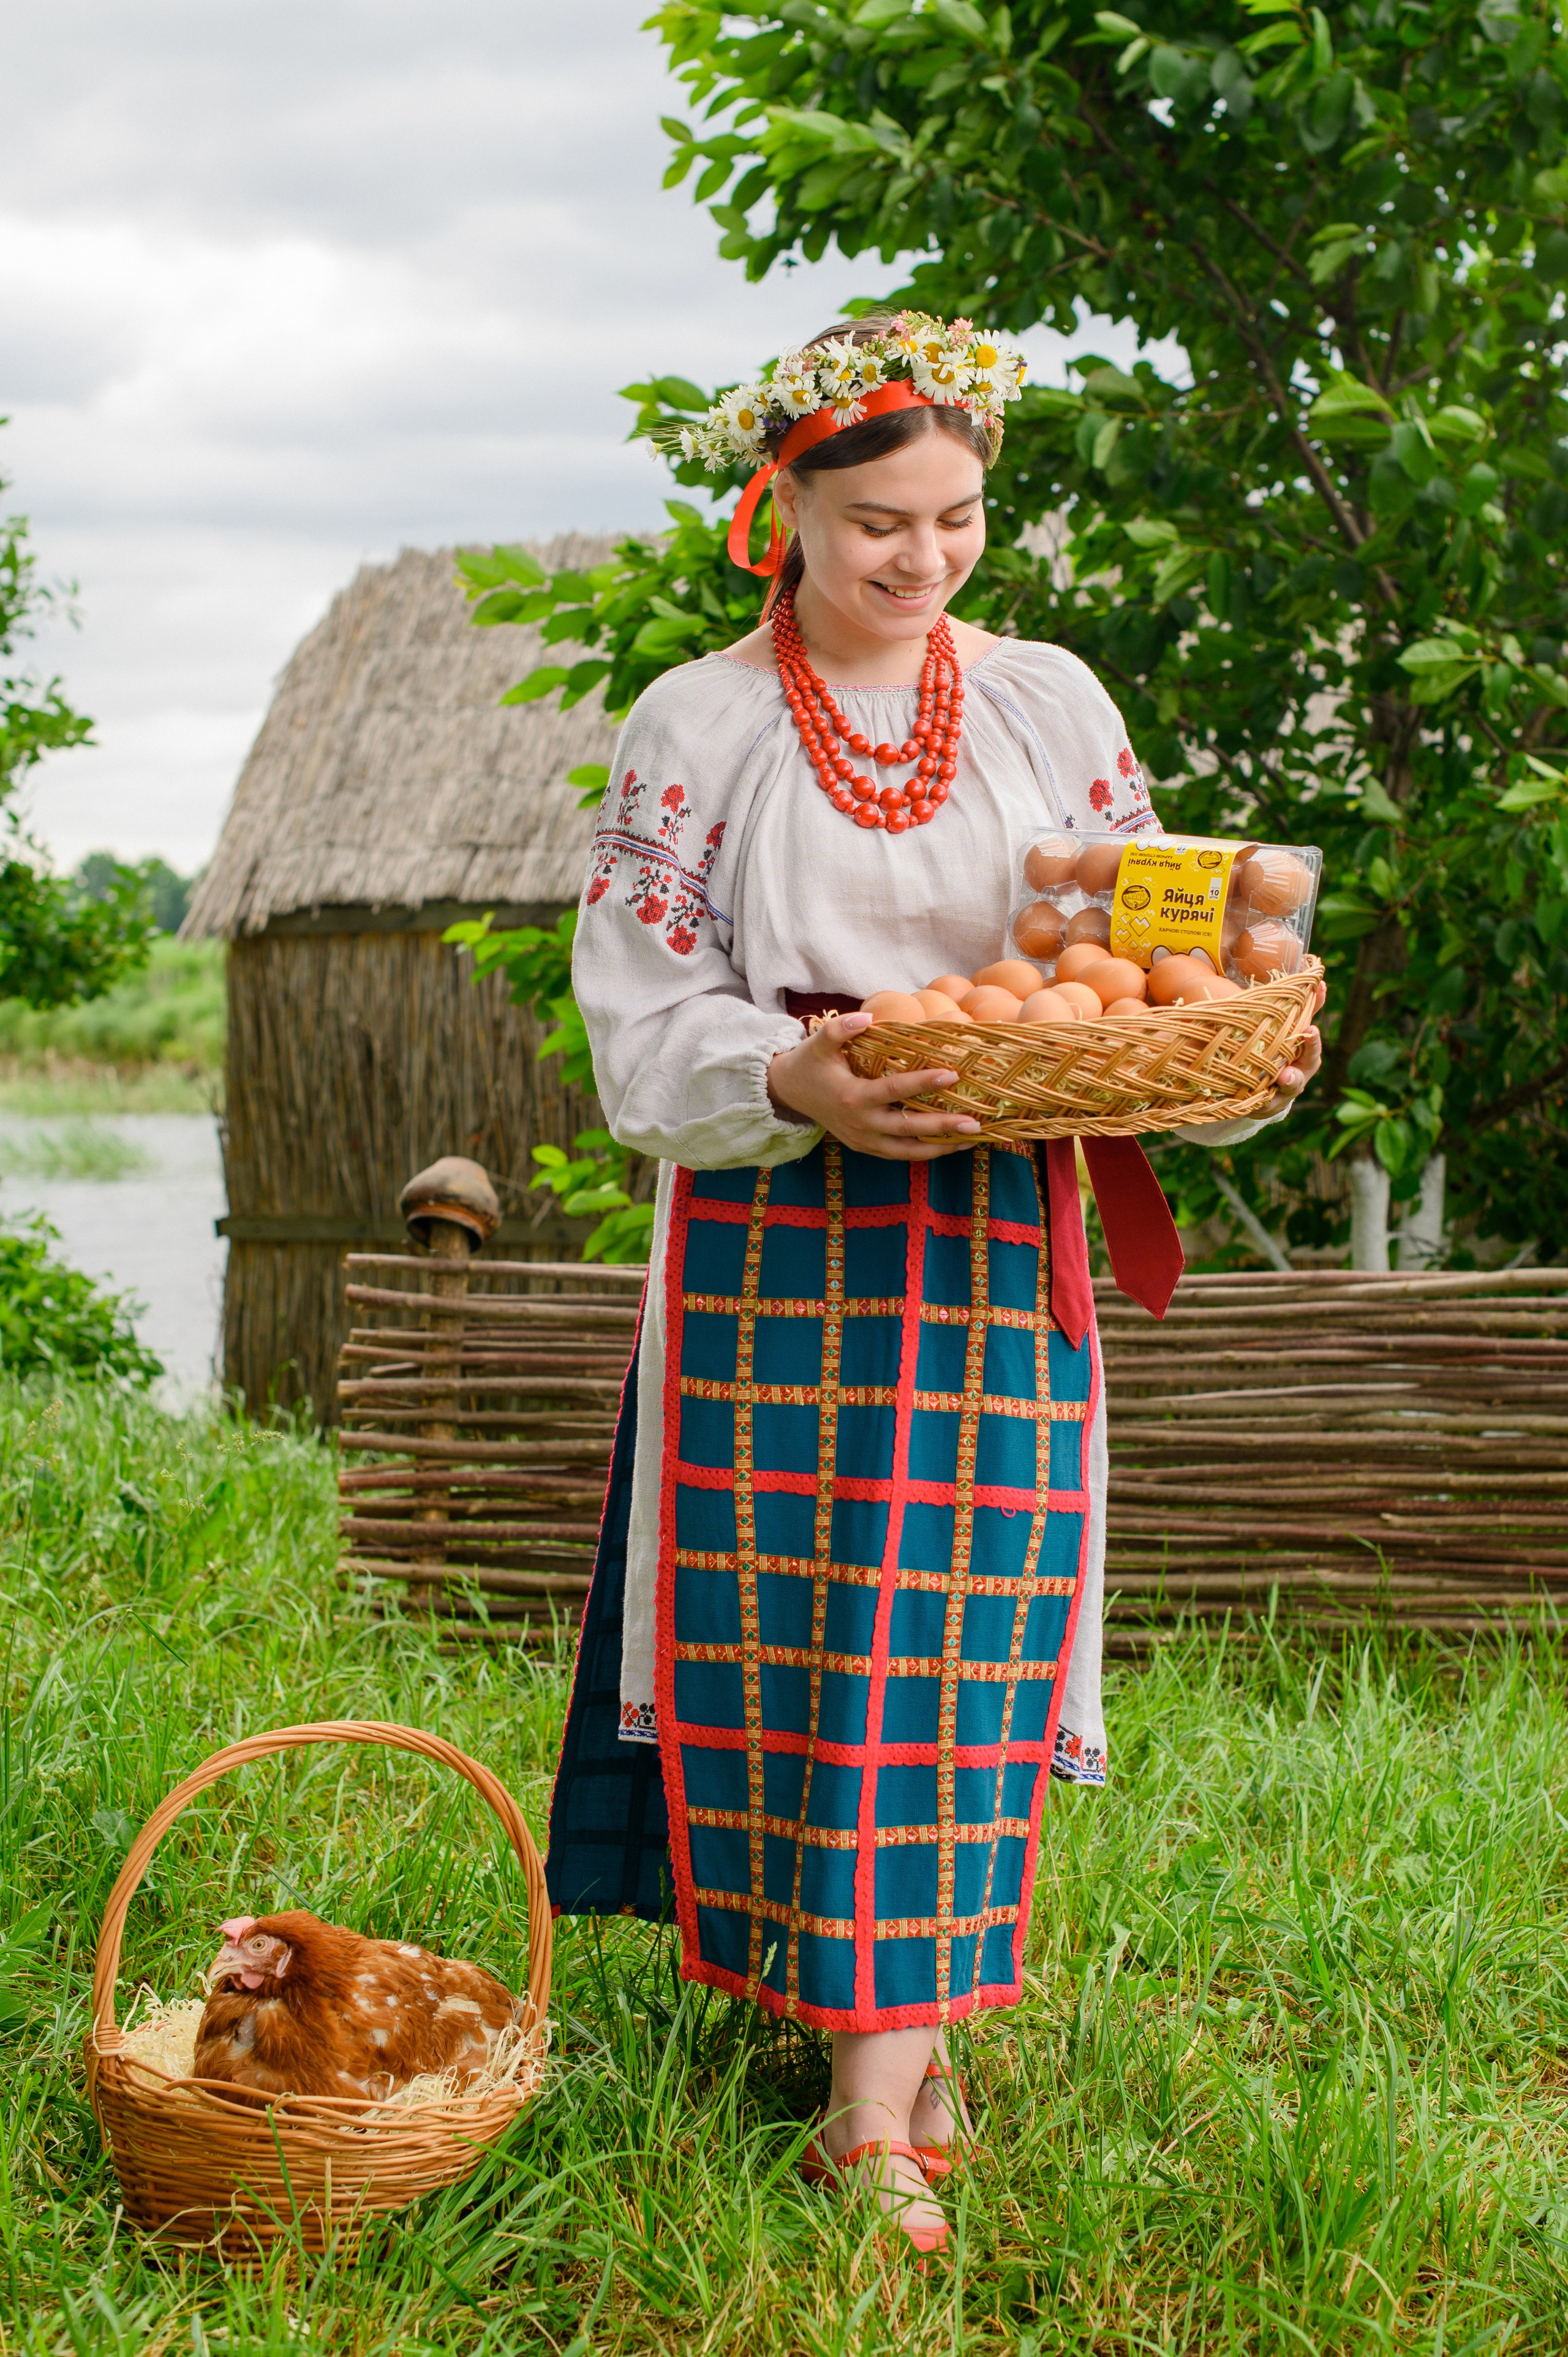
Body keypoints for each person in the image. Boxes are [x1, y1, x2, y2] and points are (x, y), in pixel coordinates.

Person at [545, 313, 1323, 2255]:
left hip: (996, 1220)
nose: (921, 558)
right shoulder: (700, 725)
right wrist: (787, 1078)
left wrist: (1238, 1051)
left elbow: (1140, 963)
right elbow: (638, 1016)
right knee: (804, 1626)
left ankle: (869, 2096)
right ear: (780, 507)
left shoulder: (1054, 706)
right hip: (774, 1240)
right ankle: (878, 2041)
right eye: (877, 521)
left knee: (964, 1627)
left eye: (958, 517)